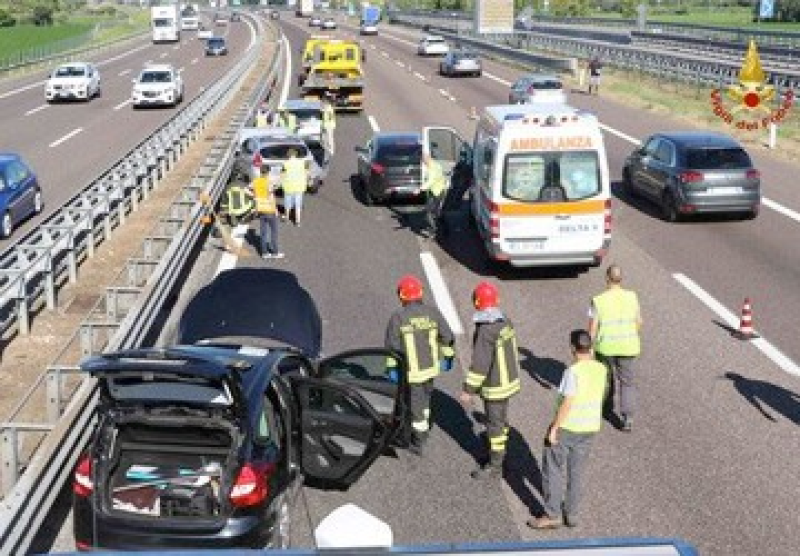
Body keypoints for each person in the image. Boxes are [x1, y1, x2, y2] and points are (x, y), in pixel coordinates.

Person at [528, 329, 608, 530]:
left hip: (568, 426)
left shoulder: (573, 372)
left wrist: (555, 427)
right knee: (577, 470)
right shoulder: (601, 368)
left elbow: (567, 402)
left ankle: (552, 514)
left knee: (553, 469)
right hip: (590, 426)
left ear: (572, 348)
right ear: (590, 347)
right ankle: (571, 513)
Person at [385, 274, 455, 456]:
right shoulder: (433, 313)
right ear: (421, 293)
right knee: (424, 398)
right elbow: (448, 337)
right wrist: (447, 359)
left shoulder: (398, 317)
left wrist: (392, 369)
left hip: (412, 372)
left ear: (401, 296)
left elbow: (392, 348)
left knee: (416, 406)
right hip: (431, 369)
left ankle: (418, 441)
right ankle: (422, 421)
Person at [459, 282, 521, 479]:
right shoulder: (505, 322)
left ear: (477, 302)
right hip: (509, 381)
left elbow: (480, 364)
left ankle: (495, 465)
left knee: (494, 426)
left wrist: (468, 390)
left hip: (495, 387)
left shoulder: (486, 330)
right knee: (501, 421)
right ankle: (503, 453)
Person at [588, 264, 642, 432]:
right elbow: (639, 322)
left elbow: (592, 327)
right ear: (621, 279)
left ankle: (605, 407)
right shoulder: (632, 297)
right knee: (627, 383)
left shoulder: (598, 300)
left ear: (606, 278)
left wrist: (589, 349)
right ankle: (628, 418)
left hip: (605, 347)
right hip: (628, 346)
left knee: (606, 379)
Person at [249, 166, 283, 259]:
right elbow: (271, 197)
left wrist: (254, 196)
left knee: (263, 233)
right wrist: (276, 210)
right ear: (268, 173)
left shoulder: (256, 181)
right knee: (274, 233)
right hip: (270, 210)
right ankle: (275, 253)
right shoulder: (269, 182)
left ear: (260, 172)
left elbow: (246, 190)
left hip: (261, 210)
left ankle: (264, 253)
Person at [418, 153, 448, 239]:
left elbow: (430, 181)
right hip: (440, 191)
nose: (423, 163)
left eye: (424, 161)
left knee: (428, 213)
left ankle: (434, 230)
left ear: (427, 159)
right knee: (436, 212)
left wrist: (420, 189)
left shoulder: (432, 169)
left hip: (436, 192)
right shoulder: (436, 164)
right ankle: (444, 229)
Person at [281, 149, 309, 227]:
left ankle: (287, 218)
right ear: (296, 155)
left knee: (287, 204)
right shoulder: (301, 163)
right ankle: (297, 221)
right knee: (298, 205)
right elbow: (306, 172)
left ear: (288, 155)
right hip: (299, 186)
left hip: (289, 186)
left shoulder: (285, 164)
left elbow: (282, 175)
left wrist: (281, 182)